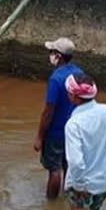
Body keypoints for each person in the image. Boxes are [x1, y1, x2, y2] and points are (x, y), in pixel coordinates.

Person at [64, 74, 106, 210]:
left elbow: (76, 163)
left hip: (81, 185)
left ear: (73, 96)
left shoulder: (73, 124)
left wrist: (79, 187)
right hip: (102, 182)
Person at [34, 38, 84, 199]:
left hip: (56, 133)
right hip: (75, 131)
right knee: (68, 167)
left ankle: (50, 204)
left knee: (54, 170)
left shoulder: (56, 79)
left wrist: (39, 137)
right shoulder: (79, 73)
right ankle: (67, 199)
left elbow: (48, 111)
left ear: (59, 56)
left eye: (52, 52)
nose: (50, 55)